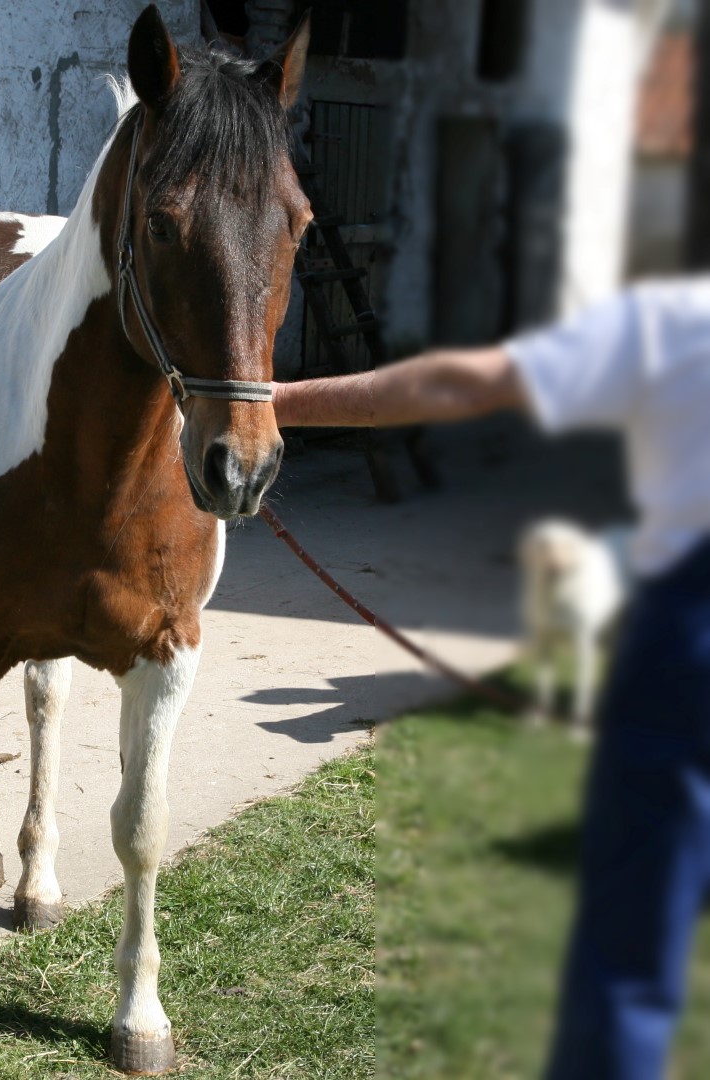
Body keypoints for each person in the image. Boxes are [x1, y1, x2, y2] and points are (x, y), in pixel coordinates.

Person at [271, 277, 710, 1079]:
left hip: (688, 647)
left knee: (632, 953)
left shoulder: (681, 321)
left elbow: (463, 383)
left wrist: (273, 399)